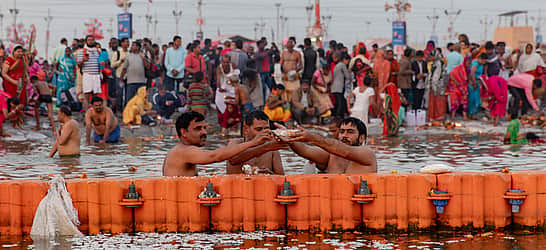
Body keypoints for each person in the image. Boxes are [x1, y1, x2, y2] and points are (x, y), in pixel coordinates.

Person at [163, 111, 271, 176]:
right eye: (198, 128)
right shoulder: (183, 151)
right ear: (184, 132)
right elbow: (215, 156)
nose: (204, 132)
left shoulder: (183, 150)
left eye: (204, 128)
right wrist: (253, 142)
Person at [282, 117, 377, 173]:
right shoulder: (330, 156)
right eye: (342, 132)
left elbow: (346, 151)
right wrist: (288, 136)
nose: (344, 136)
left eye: (350, 132)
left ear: (361, 138)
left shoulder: (367, 154)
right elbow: (305, 150)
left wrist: (312, 138)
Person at [227, 111, 285, 175]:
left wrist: (270, 174)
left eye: (266, 129)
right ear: (246, 129)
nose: (264, 132)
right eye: (259, 129)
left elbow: (281, 178)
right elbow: (233, 159)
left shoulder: (272, 149)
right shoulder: (235, 143)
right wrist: (264, 148)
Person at [77, 35, 102, 110]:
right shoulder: (82, 51)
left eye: (92, 40)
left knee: (95, 95)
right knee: (87, 95)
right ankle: (87, 112)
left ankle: (95, 111)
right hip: (87, 74)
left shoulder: (98, 51)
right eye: (89, 40)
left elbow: (100, 63)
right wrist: (83, 60)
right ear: (86, 41)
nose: (91, 41)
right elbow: (78, 64)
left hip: (96, 75)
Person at [426, 50, 448, 122]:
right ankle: (434, 116)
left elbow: (436, 76)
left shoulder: (439, 63)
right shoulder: (434, 63)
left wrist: (434, 85)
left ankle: (438, 117)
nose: (430, 57)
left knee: (438, 101)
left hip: (438, 86)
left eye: (431, 56)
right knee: (434, 101)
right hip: (434, 85)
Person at [467, 53, 487, 119]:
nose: (484, 63)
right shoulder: (475, 63)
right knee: (472, 99)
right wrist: (474, 82)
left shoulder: (480, 64)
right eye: (484, 61)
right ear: (481, 59)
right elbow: (472, 73)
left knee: (477, 99)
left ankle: (474, 114)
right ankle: (471, 114)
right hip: (473, 83)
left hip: (477, 82)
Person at [331, 52, 350, 119]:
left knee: (337, 102)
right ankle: (338, 117)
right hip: (339, 87)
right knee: (340, 103)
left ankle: (336, 116)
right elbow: (347, 76)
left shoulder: (336, 66)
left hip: (334, 87)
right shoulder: (342, 65)